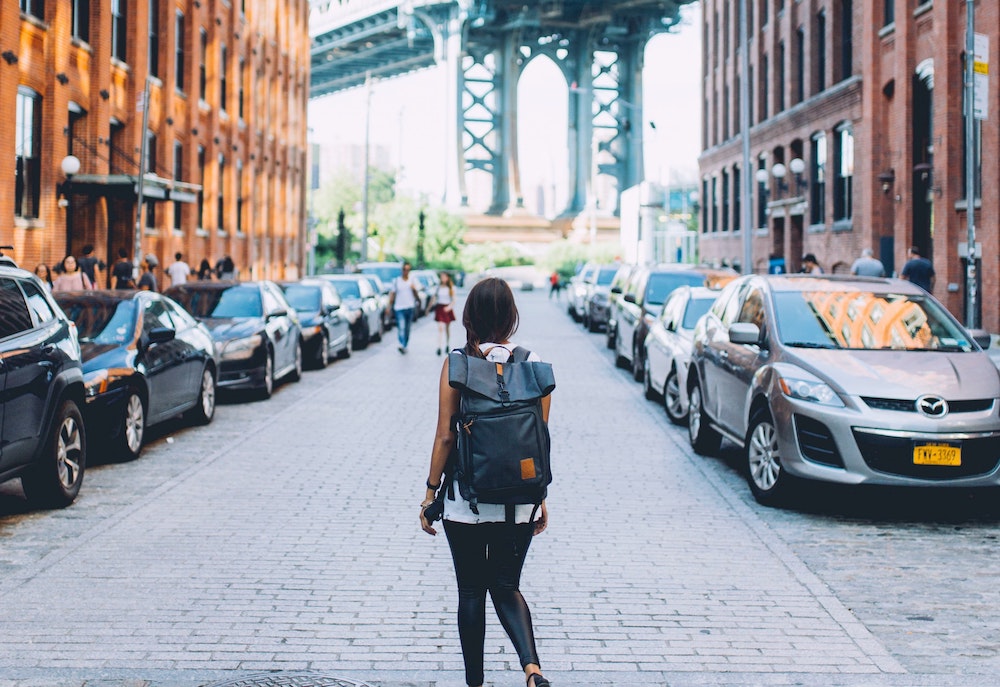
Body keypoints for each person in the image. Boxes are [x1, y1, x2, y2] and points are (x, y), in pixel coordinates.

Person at [420, 277, 552, 687]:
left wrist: (429, 494)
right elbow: (538, 438)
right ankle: (532, 669)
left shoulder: (458, 363)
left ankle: (474, 683)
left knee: (472, 592)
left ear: (470, 315)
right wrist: (540, 496)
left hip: (466, 501)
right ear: (511, 316)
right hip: (519, 499)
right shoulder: (534, 364)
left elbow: (445, 435)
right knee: (507, 584)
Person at [388, 261, 420, 354]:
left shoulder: (412, 280)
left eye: (408, 270)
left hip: (410, 307)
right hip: (399, 307)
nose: (406, 272)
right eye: (404, 269)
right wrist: (389, 306)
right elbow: (392, 294)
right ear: (401, 270)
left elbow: (416, 294)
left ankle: (405, 344)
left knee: (407, 328)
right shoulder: (397, 281)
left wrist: (414, 290)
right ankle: (401, 344)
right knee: (401, 327)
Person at [434, 271, 457, 355]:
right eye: (441, 277)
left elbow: (454, 300)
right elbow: (435, 297)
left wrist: (449, 307)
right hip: (440, 308)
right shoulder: (438, 287)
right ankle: (439, 346)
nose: (442, 278)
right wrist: (429, 308)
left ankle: (447, 344)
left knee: (447, 328)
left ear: (447, 278)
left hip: (447, 308)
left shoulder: (451, 288)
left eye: (444, 277)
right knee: (440, 328)